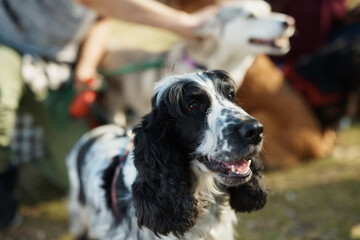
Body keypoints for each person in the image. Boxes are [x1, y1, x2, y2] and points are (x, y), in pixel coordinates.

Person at [0, 0, 219, 229]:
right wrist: (184, 23)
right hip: (6, 40)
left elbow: (101, 17)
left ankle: (32, 155)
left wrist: (86, 67)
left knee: (83, 170)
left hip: (58, 63)